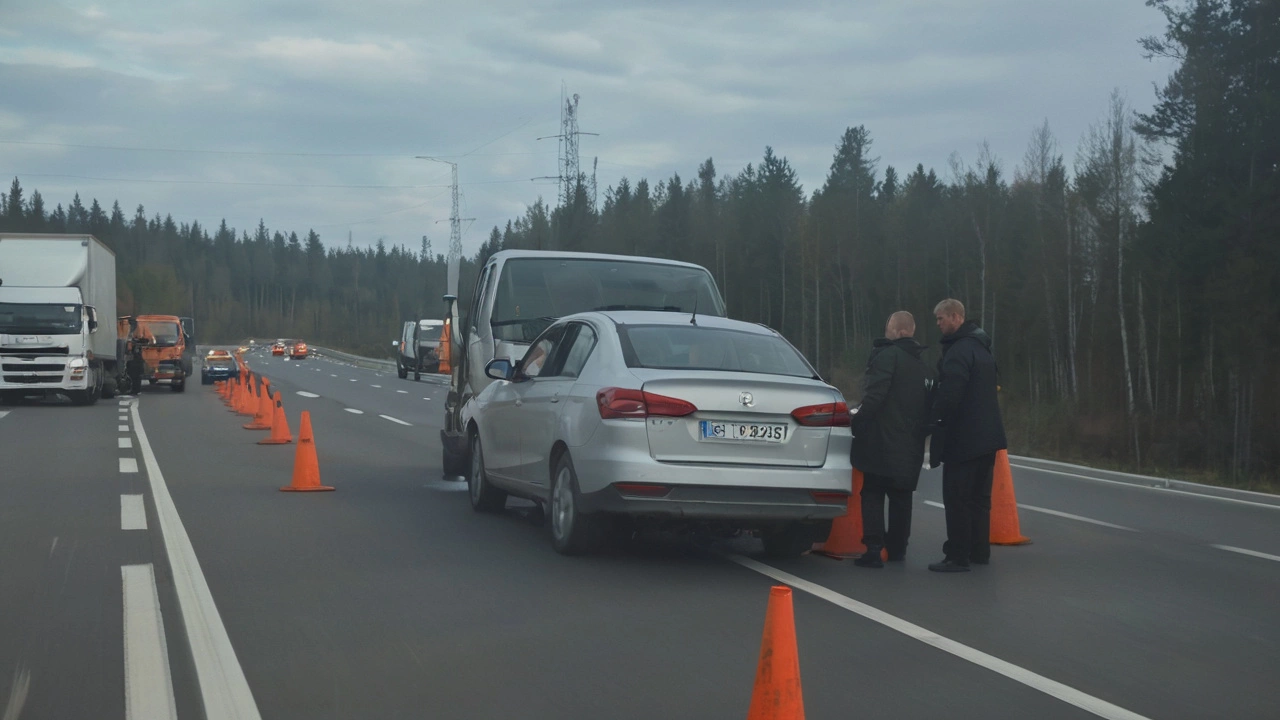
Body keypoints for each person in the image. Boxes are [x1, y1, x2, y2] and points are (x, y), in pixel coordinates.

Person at [927, 299, 1007, 573]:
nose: (937, 324)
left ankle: (957, 555)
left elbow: (952, 393)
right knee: (979, 499)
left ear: (955, 317)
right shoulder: (983, 348)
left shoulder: (958, 351)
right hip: (989, 436)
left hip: (964, 437)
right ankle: (979, 551)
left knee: (957, 497)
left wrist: (936, 419)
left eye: (940, 319)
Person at [849, 311, 930, 568]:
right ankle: (897, 549)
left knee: (872, 492)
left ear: (897, 331)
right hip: (911, 444)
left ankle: (874, 549)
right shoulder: (923, 365)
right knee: (902, 496)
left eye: (888, 329)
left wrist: (856, 420)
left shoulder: (887, 357)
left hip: (881, 441)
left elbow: (874, 397)